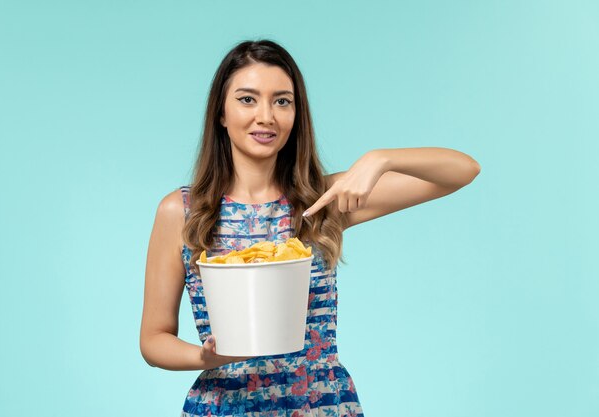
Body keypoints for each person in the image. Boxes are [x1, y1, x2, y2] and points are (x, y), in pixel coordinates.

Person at [139, 39, 481, 417]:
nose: (266, 116)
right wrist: (205, 357)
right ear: (221, 112)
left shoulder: (324, 200)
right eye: (247, 99)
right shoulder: (183, 211)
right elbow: (154, 339)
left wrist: (380, 159)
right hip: (225, 405)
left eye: (282, 101)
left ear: (297, 114)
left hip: (321, 405)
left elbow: (463, 170)